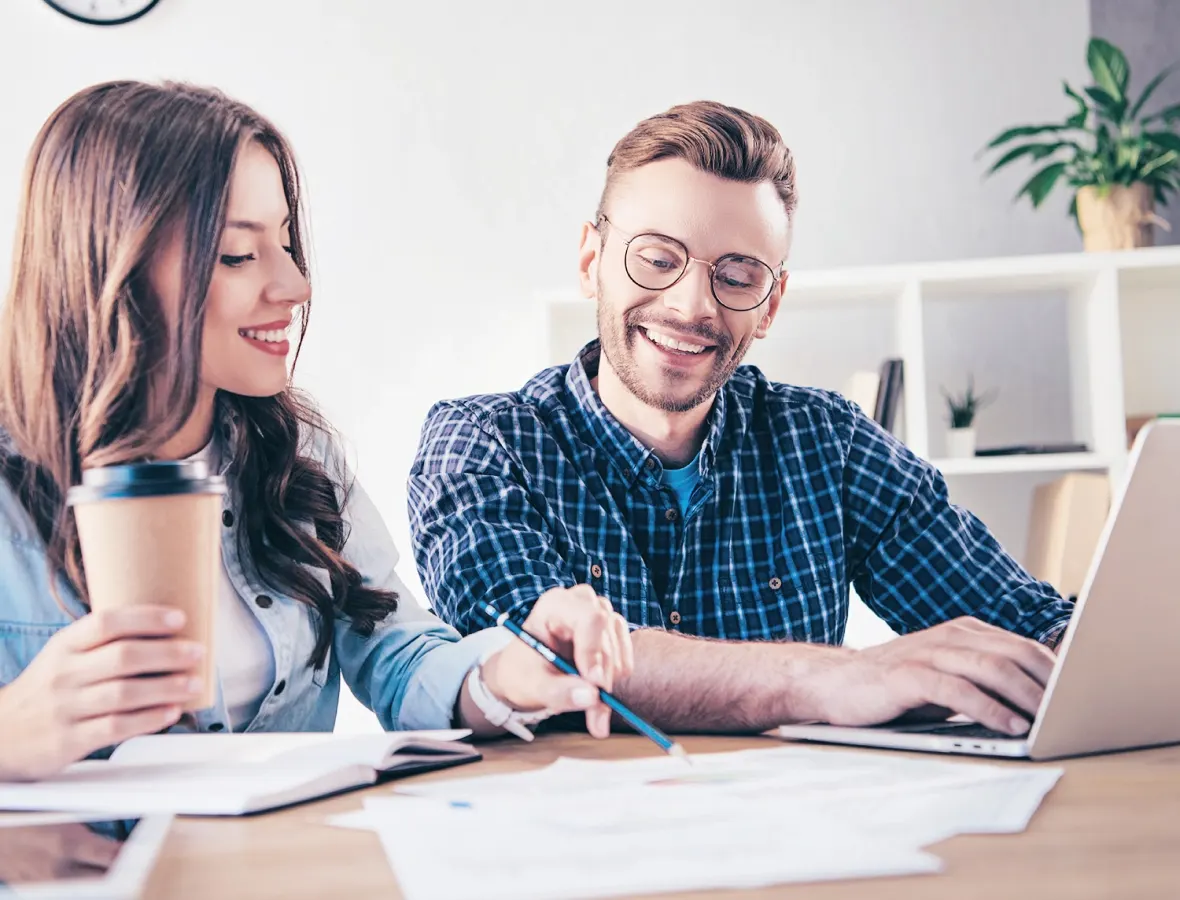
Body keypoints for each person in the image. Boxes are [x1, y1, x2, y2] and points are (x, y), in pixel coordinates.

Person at [0, 81, 632, 782]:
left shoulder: (297, 455)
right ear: (111, 265)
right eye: (239, 255)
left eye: (287, 242)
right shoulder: (11, 489)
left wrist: (502, 673)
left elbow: (394, 651)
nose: (296, 284)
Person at [408, 100, 1072, 738]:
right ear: (592, 262)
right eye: (659, 258)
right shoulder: (480, 444)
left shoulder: (827, 443)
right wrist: (839, 679)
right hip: (572, 834)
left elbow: (1023, 623)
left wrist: (1086, 647)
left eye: (738, 274)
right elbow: (537, 655)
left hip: (796, 835)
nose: (691, 304)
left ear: (772, 302)